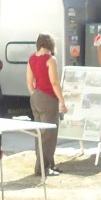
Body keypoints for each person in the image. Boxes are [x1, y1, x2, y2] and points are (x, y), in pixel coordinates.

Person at [26, 33, 68, 176]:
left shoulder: (31, 58)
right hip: (48, 98)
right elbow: (54, 83)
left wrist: (35, 93)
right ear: (50, 44)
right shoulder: (50, 60)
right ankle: (42, 168)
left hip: (36, 96)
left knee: (39, 133)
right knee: (49, 134)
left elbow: (29, 82)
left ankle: (47, 164)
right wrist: (62, 101)